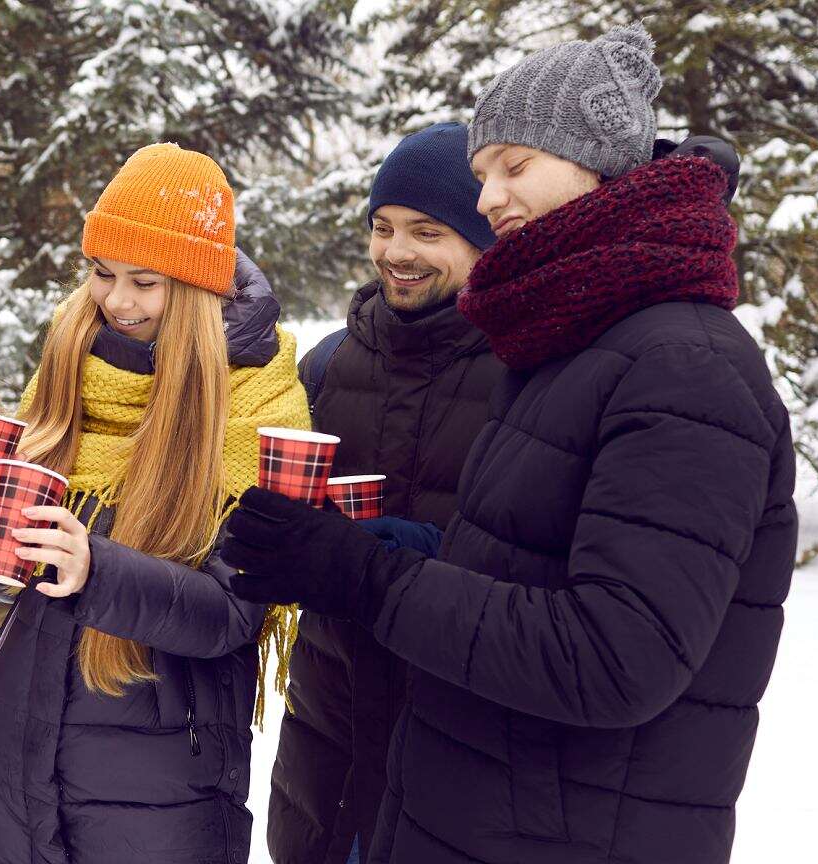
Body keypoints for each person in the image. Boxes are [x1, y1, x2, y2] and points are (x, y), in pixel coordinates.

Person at [222, 24, 797, 864]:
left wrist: (370, 575)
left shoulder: (684, 366)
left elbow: (615, 656)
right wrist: (387, 551)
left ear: (601, 165)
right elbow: (526, 574)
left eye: (514, 166)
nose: (489, 196)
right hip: (465, 815)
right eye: (484, 172)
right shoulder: (570, 348)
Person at [0, 143, 309, 864]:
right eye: (103, 274)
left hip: (161, 797)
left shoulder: (257, 408)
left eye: (146, 282)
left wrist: (95, 569)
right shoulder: (74, 367)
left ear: (199, 292)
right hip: (17, 765)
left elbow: (233, 614)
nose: (117, 301)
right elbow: (14, 585)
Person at [267, 122, 502, 864]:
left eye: (427, 231)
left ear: (483, 240)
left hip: (460, 736)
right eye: (384, 227)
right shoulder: (329, 365)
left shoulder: (526, 374)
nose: (397, 252)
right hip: (329, 729)